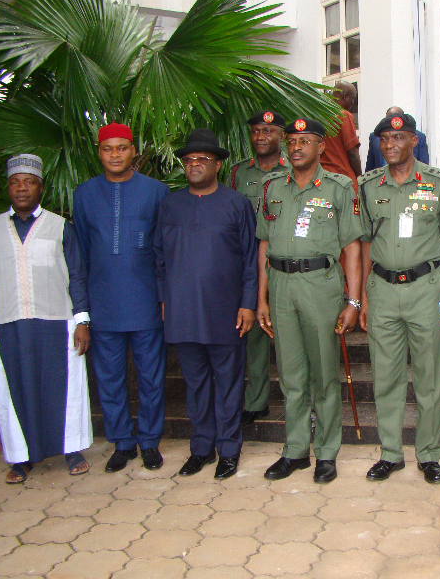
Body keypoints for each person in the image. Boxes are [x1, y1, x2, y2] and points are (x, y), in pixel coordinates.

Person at [358, 113, 440, 484]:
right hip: (383, 291)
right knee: (385, 378)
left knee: (429, 378)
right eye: (384, 141)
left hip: (427, 290)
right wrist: (361, 298)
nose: (390, 146)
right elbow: (363, 243)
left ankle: (428, 455)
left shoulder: (438, 183)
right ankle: (390, 454)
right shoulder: (369, 185)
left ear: (414, 142)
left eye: (398, 138)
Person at [257, 118, 363, 484]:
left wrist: (353, 301)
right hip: (282, 286)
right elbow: (264, 245)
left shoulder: (339, 187)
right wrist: (262, 298)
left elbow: (351, 247)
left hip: (321, 285)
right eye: (292, 140)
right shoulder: (273, 188)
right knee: (291, 374)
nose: (297, 146)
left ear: (321, 146)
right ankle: (296, 449)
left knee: (323, 375)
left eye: (306, 140)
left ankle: (327, 453)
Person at [154, 129, 258, 480]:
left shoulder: (236, 204)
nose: (194, 165)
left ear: (217, 164)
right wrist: (164, 298)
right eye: (188, 160)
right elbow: (158, 257)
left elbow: (250, 259)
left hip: (225, 311)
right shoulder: (170, 204)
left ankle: (229, 450)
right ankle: (201, 448)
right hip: (182, 311)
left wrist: (247, 304)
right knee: (195, 383)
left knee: (228, 383)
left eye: (202, 160)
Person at [73, 123, 169, 473]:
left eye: (122, 148)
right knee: (109, 378)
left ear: (133, 151)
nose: (115, 154)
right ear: (99, 153)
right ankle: (122, 442)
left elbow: (163, 250)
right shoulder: (83, 194)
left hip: (146, 301)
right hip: (103, 303)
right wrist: (82, 310)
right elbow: (81, 254)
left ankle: (149, 442)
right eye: (108, 148)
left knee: (151, 376)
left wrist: (164, 297)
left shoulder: (156, 191)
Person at [0, 154, 93, 484]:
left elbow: (76, 275)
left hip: (56, 322)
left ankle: (71, 450)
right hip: (8, 323)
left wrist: (83, 321)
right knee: (13, 390)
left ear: (41, 188)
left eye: (29, 182)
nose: (22, 188)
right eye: (15, 182)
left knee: (63, 389)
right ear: (8, 187)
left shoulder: (60, 227)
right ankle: (21, 458)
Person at [230, 110, 291, 427]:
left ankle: (298, 399)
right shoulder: (238, 173)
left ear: (281, 136)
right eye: (256, 131)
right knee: (252, 332)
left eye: (269, 131)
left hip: (285, 260)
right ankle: (256, 402)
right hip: (247, 261)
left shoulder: (295, 170)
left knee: (289, 333)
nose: (262, 137)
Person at [320, 81, 361, 191]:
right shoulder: (344, 115)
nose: (353, 103)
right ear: (345, 96)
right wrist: (360, 178)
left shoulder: (320, 115)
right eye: (353, 99)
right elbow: (352, 153)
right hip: (342, 178)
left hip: (321, 178)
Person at [366, 106, 429, 171]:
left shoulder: (419, 136)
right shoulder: (375, 137)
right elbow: (370, 164)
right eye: (383, 139)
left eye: (398, 138)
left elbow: (424, 164)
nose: (389, 145)